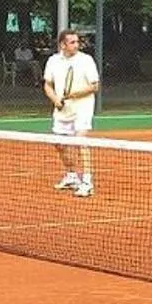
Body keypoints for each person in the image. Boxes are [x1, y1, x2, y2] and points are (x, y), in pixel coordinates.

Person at [41, 28, 99, 198]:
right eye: (72, 42)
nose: (76, 45)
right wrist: (55, 100)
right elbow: (47, 85)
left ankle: (87, 182)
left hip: (83, 107)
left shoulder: (86, 60)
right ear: (62, 45)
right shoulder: (53, 61)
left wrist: (74, 94)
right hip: (63, 109)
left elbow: (94, 86)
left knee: (80, 141)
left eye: (77, 42)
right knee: (59, 144)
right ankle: (72, 175)